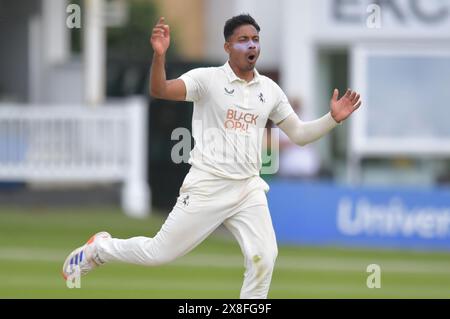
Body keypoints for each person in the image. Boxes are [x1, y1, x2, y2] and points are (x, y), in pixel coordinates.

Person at [62, 14, 362, 299]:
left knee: (265, 257)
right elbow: (160, 89)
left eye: (255, 39)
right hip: (207, 185)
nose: (252, 45)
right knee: (158, 254)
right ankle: (100, 249)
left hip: (247, 188)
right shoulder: (207, 79)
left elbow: (299, 135)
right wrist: (159, 56)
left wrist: (332, 119)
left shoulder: (269, 90)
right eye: (243, 39)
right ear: (228, 47)